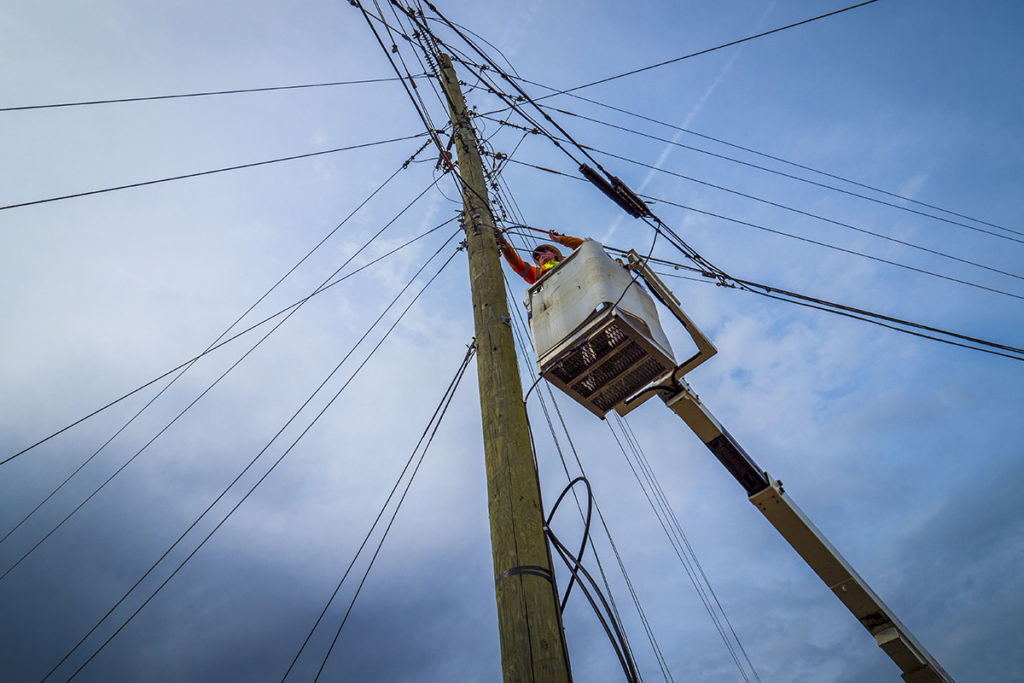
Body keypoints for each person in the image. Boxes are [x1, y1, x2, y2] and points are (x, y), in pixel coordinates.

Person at [497, 229, 584, 284]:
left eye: (543, 251)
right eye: (537, 256)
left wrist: (561, 239)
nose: (540, 255)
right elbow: (517, 264)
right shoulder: (536, 273)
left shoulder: (569, 261)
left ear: (554, 253)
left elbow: (584, 246)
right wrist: (502, 242)